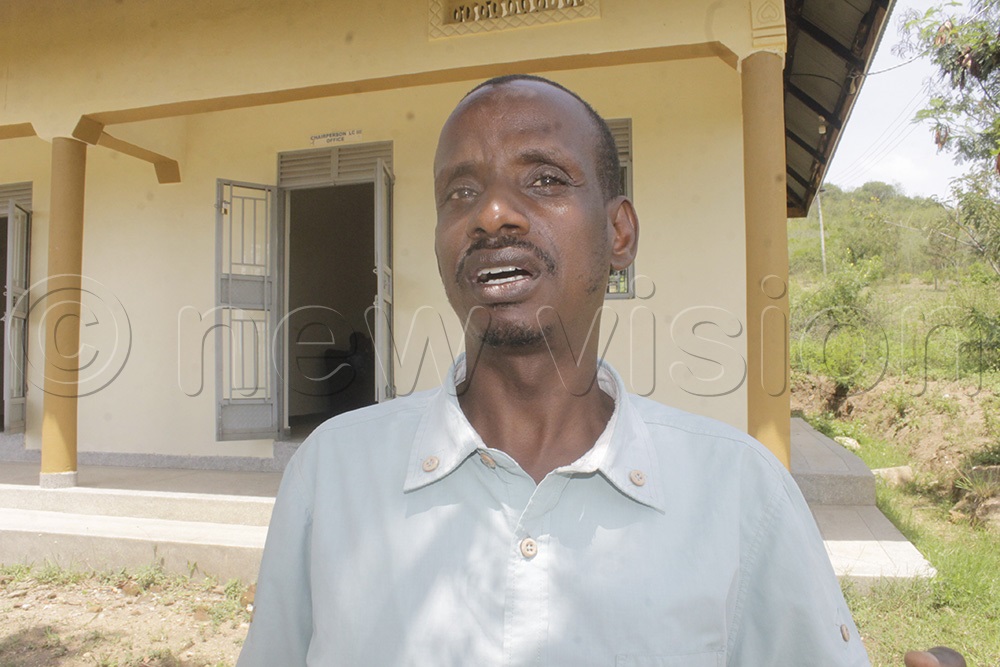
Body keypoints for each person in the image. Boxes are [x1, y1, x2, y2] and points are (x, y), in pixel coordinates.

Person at [238, 74, 957, 666]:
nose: (491, 213)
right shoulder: (330, 475)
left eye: (544, 179)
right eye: (460, 192)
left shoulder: (741, 497)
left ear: (619, 234)